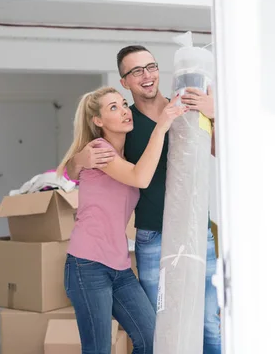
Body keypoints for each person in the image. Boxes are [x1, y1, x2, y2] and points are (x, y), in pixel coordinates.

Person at [66, 46, 222, 354]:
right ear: (125, 81)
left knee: (207, 323)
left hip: (192, 231)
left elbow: (223, 153)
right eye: (136, 71)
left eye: (151, 67)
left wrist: (218, 115)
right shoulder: (127, 125)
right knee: (161, 329)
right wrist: (78, 160)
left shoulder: (188, 105)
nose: (147, 75)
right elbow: (106, 169)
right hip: (149, 237)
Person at [56, 86, 187, 354]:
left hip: (120, 268)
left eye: (123, 104)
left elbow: (134, 173)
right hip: (88, 265)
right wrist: (160, 127)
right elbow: (140, 178)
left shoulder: (122, 158)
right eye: (113, 107)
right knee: (98, 349)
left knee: (150, 340)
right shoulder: (100, 149)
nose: (125, 111)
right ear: (98, 121)